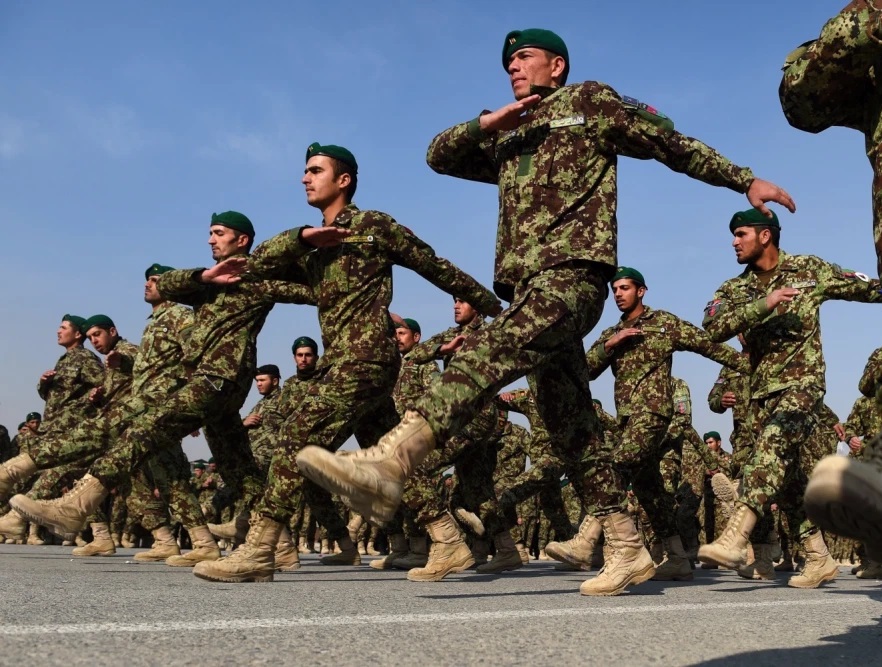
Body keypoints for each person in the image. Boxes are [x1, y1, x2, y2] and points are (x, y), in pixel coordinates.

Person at [294, 27, 795, 596]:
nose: (514, 67)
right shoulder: (510, 133)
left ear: (556, 65)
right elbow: (438, 155)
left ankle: (395, 456)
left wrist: (742, 179)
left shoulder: (590, 102)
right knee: (571, 428)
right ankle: (628, 547)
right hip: (527, 288)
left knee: (491, 348)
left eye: (524, 57)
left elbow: (669, 143)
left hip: (575, 276)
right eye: (508, 62)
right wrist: (489, 123)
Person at [190, 142, 501, 583]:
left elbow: (433, 265)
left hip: (367, 359)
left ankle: (260, 549)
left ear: (344, 180)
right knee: (389, 454)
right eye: (304, 171)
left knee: (295, 438)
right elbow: (258, 267)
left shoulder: (373, 226)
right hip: (345, 362)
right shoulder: (311, 248)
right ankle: (448, 540)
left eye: (315, 170)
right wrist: (302, 238)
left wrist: (494, 308)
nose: (305, 178)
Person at [9, 212, 314, 546]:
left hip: (218, 378)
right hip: (217, 383)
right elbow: (167, 283)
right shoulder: (209, 285)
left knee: (145, 428)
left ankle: (77, 503)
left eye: (219, 233)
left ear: (241, 239)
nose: (211, 239)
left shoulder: (256, 275)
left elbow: (308, 289)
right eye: (210, 233)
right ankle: (281, 542)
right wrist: (207, 275)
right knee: (237, 467)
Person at [699, 208, 882, 588]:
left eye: (741, 234)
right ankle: (818, 558)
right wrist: (763, 305)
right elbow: (713, 328)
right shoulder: (733, 289)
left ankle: (737, 535)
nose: (734, 241)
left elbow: (864, 286)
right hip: (762, 393)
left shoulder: (808, 269)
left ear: (765, 236)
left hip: (803, 385)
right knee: (787, 479)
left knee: (774, 442)